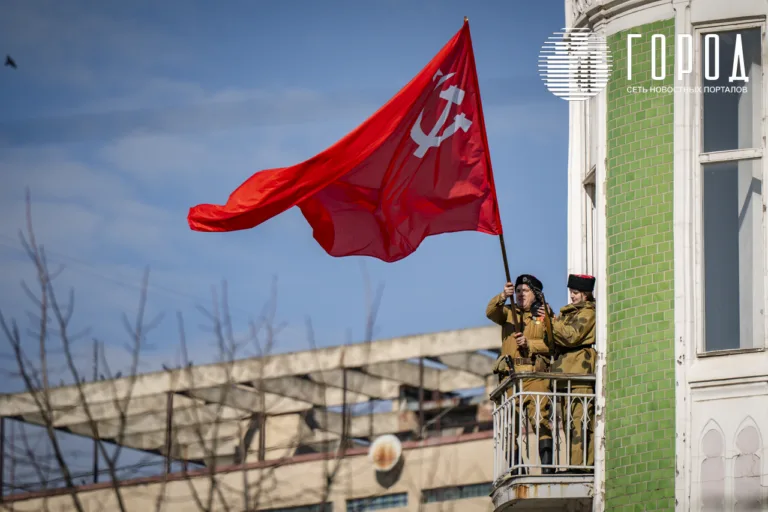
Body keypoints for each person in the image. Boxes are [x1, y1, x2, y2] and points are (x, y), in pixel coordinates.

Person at [487, 274, 554, 474]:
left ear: (535, 294)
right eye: (517, 291)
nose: (520, 295)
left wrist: (529, 344)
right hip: (511, 377)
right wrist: (502, 295)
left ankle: (548, 467)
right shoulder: (508, 313)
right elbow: (490, 312)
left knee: (540, 419)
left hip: (534, 374)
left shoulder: (545, 316)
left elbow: (553, 344)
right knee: (509, 425)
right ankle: (517, 468)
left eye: (525, 291)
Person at [550, 274, 597, 473]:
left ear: (586, 294)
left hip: (580, 375)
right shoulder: (569, 314)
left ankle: (581, 467)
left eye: (576, 293)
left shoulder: (587, 314)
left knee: (580, 424)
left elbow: (570, 336)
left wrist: (552, 322)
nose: (572, 296)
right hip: (567, 376)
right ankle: (574, 463)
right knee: (570, 425)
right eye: (571, 292)